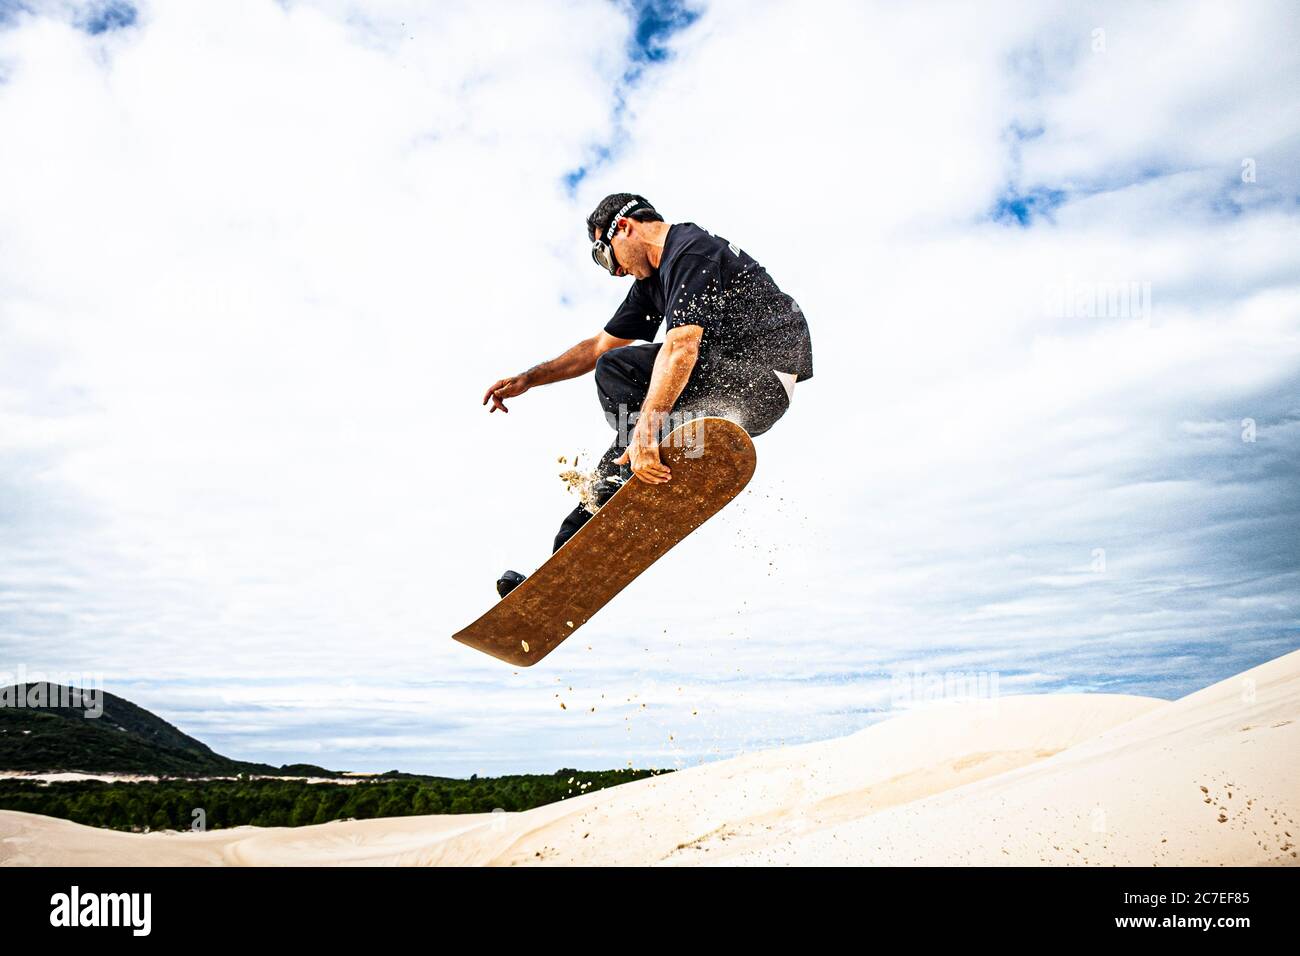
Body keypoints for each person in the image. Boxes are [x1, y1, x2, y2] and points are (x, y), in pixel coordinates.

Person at [482, 193, 813, 596]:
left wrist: (644, 433)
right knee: (607, 476)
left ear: (625, 227)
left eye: (606, 257)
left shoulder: (690, 251)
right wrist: (529, 379)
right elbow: (597, 347)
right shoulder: (651, 282)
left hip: (758, 380)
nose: (616, 272)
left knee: (620, 382)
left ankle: (646, 455)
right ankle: (556, 575)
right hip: (717, 383)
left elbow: (681, 348)